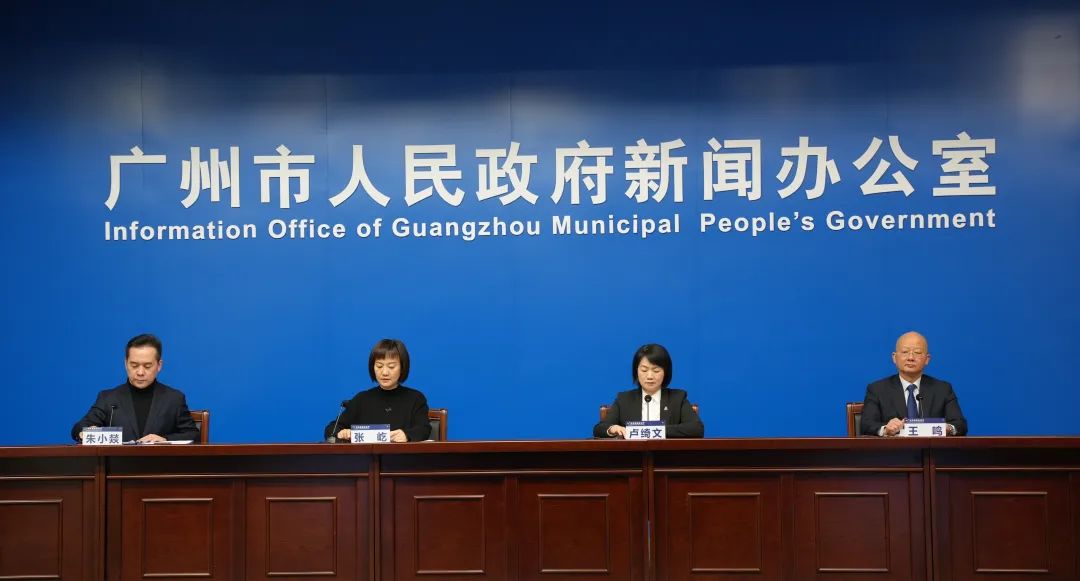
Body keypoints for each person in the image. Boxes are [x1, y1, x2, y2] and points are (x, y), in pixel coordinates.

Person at [71, 334, 200, 443]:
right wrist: (86, 432)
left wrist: (165, 439)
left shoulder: (174, 399)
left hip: (160, 464)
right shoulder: (108, 398)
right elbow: (79, 428)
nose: (140, 372)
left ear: (159, 365)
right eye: (134, 365)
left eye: (147, 366)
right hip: (118, 464)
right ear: (125, 364)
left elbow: (193, 434)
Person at [861, 331, 968, 436]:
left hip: (931, 447)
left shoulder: (943, 389)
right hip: (893, 447)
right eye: (905, 352)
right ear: (894, 357)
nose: (911, 358)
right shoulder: (877, 389)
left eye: (917, 352)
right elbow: (866, 425)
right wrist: (885, 429)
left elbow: (960, 424)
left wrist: (948, 428)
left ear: (927, 359)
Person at [324, 339, 431, 443]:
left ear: (402, 367)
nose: (384, 372)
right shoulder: (362, 399)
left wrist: (406, 435)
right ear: (372, 367)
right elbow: (331, 429)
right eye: (379, 366)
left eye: (391, 366)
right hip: (366, 455)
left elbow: (424, 429)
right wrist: (342, 433)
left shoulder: (416, 398)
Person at [593, 343, 704, 438]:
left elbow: (696, 428)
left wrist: (653, 431)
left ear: (665, 372)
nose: (650, 376)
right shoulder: (624, 399)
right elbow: (599, 429)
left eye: (656, 370)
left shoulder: (678, 398)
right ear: (636, 371)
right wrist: (613, 428)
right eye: (644, 370)